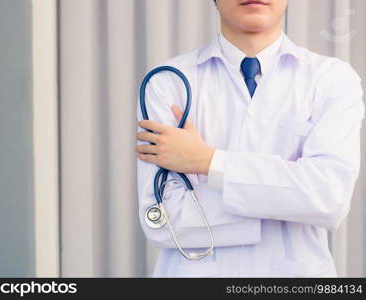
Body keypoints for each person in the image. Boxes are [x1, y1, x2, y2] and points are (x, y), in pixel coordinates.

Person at [135, 0, 365, 277]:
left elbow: (330, 198)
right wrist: (287, 201)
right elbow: (161, 221)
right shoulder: (167, 82)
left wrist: (208, 161)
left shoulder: (331, 78)